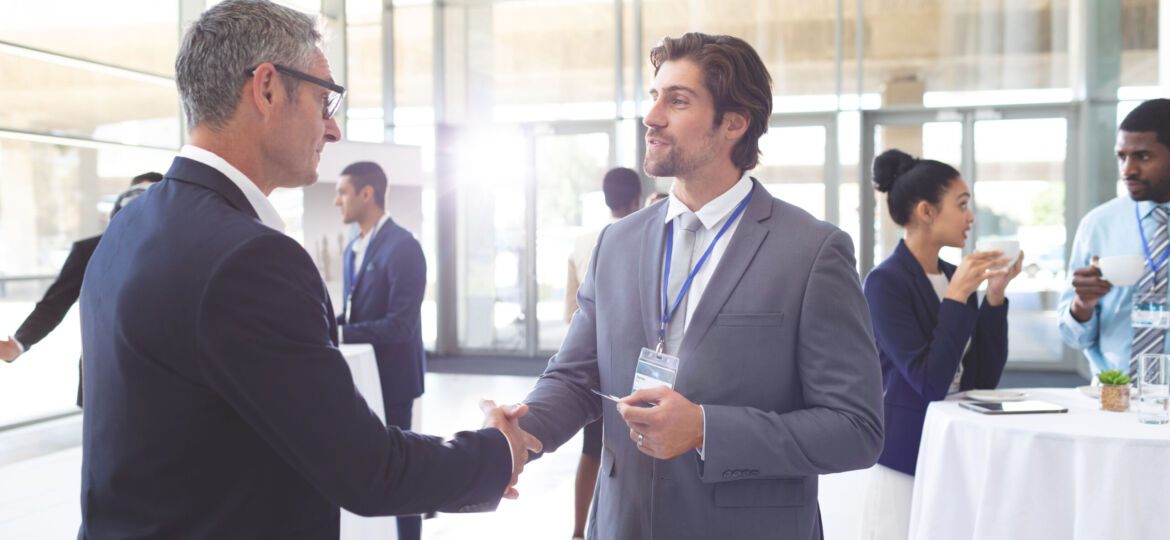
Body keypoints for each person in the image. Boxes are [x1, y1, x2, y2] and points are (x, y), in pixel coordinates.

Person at [77, 1, 538, 537]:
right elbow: (366, 469)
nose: (334, 129)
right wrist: (495, 450)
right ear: (267, 89)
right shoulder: (248, 258)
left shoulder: (130, 225)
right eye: (325, 100)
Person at [508, 32, 884, 539]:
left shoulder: (812, 252)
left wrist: (707, 429)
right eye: (654, 96)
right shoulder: (615, 244)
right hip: (625, 524)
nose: (652, 116)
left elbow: (855, 428)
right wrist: (517, 432)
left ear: (734, 122)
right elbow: (575, 377)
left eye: (677, 100)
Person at [860, 149, 1021, 539]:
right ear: (926, 211)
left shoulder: (953, 274)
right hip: (905, 459)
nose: (971, 217)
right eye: (961, 204)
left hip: (954, 449)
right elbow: (929, 382)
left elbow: (982, 379)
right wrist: (956, 297)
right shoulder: (884, 282)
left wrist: (994, 296)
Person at [1, 172, 162, 406]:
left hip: (164, 373)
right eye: (135, 197)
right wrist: (17, 343)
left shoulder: (177, 251)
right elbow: (54, 304)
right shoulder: (89, 250)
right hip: (106, 373)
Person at [333, 160, 428, 540]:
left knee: (399, 471)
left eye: (342, 193)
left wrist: (340, 333)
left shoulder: (403, 247)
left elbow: (400, 325)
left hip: (394, 380)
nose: (337, 202)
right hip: (362, 379)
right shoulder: (353, 248)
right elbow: (354, 312)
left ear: (366, 194)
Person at [1060, 98, 1170, 378]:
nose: (1128, 170)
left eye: (1143, 156)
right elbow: (1075, 339)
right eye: (1122, 156)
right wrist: (1082, 304)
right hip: (1114, 399)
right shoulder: (1098, 224)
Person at [563, 166, 642, 540]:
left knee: (592, 448)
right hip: (637, 370)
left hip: (594, 364)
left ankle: (579, 532)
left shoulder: (583, 242)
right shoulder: (645, 238)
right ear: (637, 199)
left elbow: (571, 314)